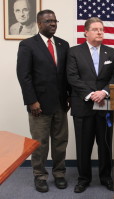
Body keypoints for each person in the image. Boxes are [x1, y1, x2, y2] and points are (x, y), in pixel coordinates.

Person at [16, 9, 70, 193]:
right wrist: (31, 101)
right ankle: (39, 176)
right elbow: (24, 76)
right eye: (48, 21)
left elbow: (66, 75)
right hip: (39, 105)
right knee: (39, 143)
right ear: (39, 24)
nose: (53, 24)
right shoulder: (28, 45)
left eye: (55, 20)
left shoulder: (64, 45)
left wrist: (69, 97)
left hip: (61, 104)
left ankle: (59, 173)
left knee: (60, 141)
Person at [66, 17, 114, 193]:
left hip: (104, 105)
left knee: (105, 144)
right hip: (83, 105)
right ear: (85, 32)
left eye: (102, 29)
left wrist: (103, 92)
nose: (100, 32)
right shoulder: (74, 52)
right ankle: (83, 179)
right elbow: (72, 77)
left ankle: (106, 177)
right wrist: (91, 94)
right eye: (95, 29)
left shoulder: (111, 53)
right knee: (83, 145)